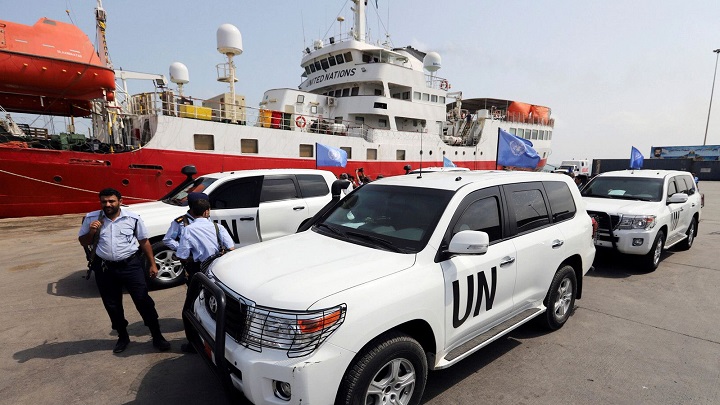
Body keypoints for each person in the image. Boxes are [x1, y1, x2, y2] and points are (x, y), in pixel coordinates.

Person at [78, 188, 170, 353]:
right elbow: (83, 242)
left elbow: (144, 241)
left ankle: (157, 335)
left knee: (143, 300)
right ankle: (122, 337)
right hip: (105, 268)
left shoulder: (132, 218)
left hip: (130, 265)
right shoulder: (92, 218)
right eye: (104, 202)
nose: (108, 204)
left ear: (120, 201)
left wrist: (153, 264)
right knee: (112, 304)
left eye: (111, 201)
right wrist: (92, 231)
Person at [175, 194, 234, 353]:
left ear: (192, 212)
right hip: (218, 270)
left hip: (198, 272)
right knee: (217, 305)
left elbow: (182, 255)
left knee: (191, 307)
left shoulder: (187, 230)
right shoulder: (218, 227)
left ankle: (193, 343)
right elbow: (231, 248)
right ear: (207, 211)